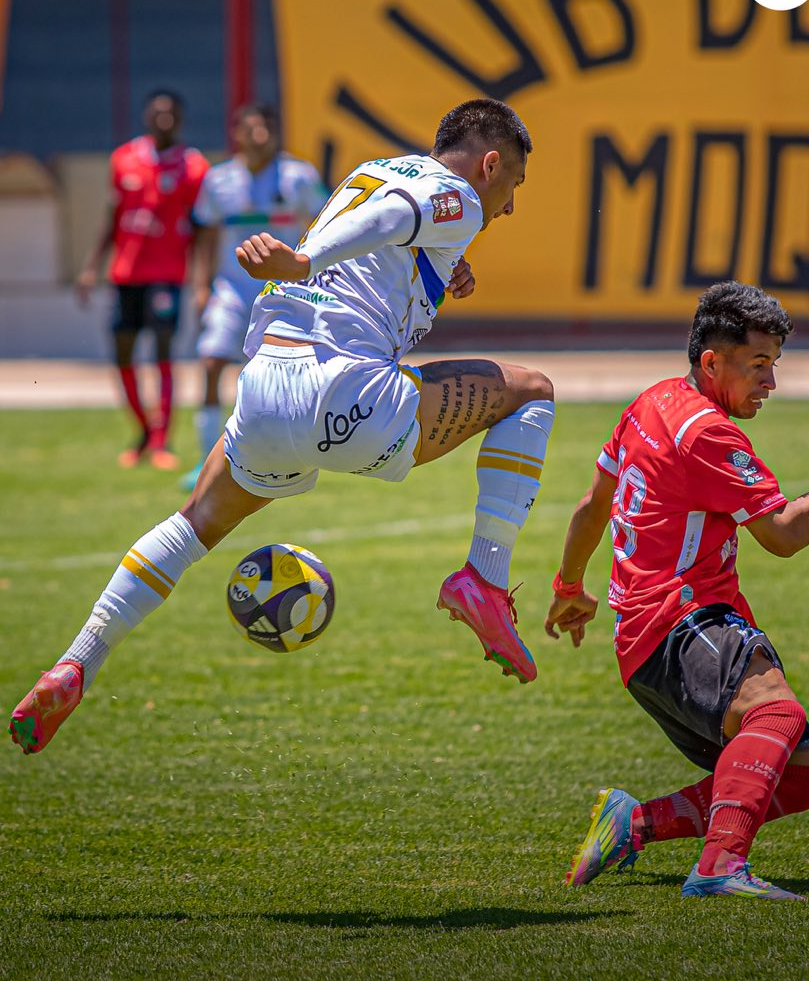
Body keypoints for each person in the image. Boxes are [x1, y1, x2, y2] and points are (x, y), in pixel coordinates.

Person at [10, 97, 554, 756]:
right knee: (532, 392)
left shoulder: (373, 170)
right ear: (491, 163)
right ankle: (484, 578)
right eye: (514, 185)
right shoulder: (457, 196)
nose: (511, 205)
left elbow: (384, 231)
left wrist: (436, 272)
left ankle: (78, 661)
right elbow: (395, 221)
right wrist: (304, 260)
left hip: (266, 388)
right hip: (346, 394)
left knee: (191, 526)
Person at [544, 282, 809, 901]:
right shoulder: (709, 435)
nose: (770, 382)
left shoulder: (651, 401)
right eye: (759, 365)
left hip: (645, 642)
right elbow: (785, 535)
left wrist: (568, 585)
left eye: (774, 365)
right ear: (712, 362)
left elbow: (593, 507)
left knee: (806, 774)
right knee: (777, 714)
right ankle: (720, 865)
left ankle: (633, 822)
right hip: (680, 622)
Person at [180, 103, 327, 489]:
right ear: (237, 134)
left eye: (265, 128)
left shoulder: (299, 176)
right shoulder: (219, 180)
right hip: (232, 287)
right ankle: (204, 460)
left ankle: (290, 455)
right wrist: (200, 285)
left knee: (287, 373)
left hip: (283, 290)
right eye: (251, 129)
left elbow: (324, 221)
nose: (258, 136)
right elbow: (207, 234)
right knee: (212, 362)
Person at [77, 90, 209, 470]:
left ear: (180, 120)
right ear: (146, 117)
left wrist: (201, 281)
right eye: (157, 113)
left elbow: (201, 230)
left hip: (166, 274)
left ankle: (162, 441)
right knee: (122, 350)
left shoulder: (194, 166)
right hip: (126, 273)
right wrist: (91, 266)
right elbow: (112, 216)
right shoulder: (124, 159)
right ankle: (143, 431)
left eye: (171, 114)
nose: (164, 120)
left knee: (163, 350)